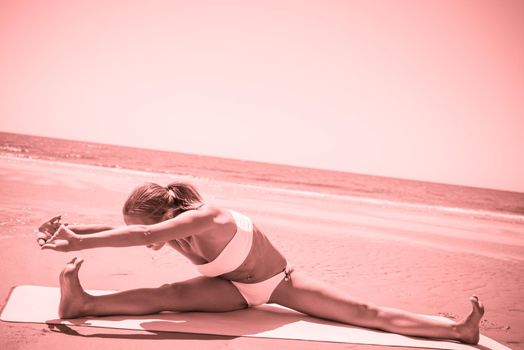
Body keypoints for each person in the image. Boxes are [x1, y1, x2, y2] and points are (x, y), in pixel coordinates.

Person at [38, 182, 485, 344]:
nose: (150, 241)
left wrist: (79, 240)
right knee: (167, 295)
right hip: (229, 289)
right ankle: (83, 305)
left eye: (150, 229)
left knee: (366, 315)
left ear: (168, 216)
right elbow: (136, 231)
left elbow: (144, 235)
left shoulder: (209, 216)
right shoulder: (167, 227)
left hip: (280, 285)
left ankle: (457, 331)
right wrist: (74, 229)